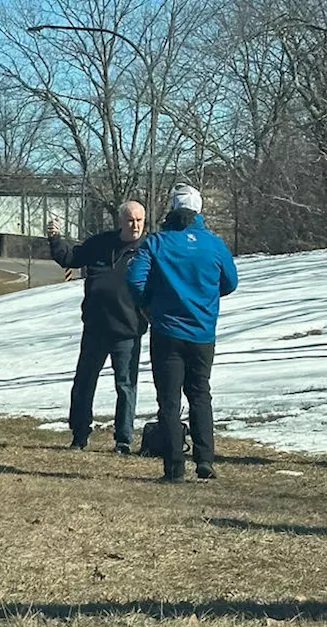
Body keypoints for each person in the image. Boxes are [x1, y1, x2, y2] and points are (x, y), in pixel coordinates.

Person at [127, 184, 238, 482]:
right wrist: (205, 297)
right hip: (203, 333)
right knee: (201, 394)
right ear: (199, 210)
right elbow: (230, 282)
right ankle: (205, 460)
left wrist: (149, 305)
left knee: (170, 400)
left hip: (167, 332)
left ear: (172, 209)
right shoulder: (215, 245)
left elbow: (135, 280)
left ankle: (174, 467)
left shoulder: (157, 242)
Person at [46, 202, 149, 454]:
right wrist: (55, 238)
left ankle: (123, 440)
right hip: (95, 328)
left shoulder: (147, 249)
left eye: (139, 220)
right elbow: (69, 258)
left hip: (128, 330)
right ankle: (79, 435)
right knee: (83, 382)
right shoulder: (100, 244)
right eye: (130, 220)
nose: (135, 225)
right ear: (120, 222)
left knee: (125, 386)